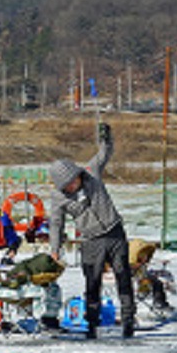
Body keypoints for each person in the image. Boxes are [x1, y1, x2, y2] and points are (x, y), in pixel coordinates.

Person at [47, 123, 134, 339]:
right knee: (92, 282)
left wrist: (106, 138)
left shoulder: (91, 173)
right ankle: (92, 324)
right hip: (91, 240)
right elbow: (56, 224)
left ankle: (129, 321)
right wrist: (55, 249)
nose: (72, 186)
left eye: (74, 180)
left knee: (123, 276)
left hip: (115, 233)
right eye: (67, 185)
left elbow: (105, 153)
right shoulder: (59, 198)